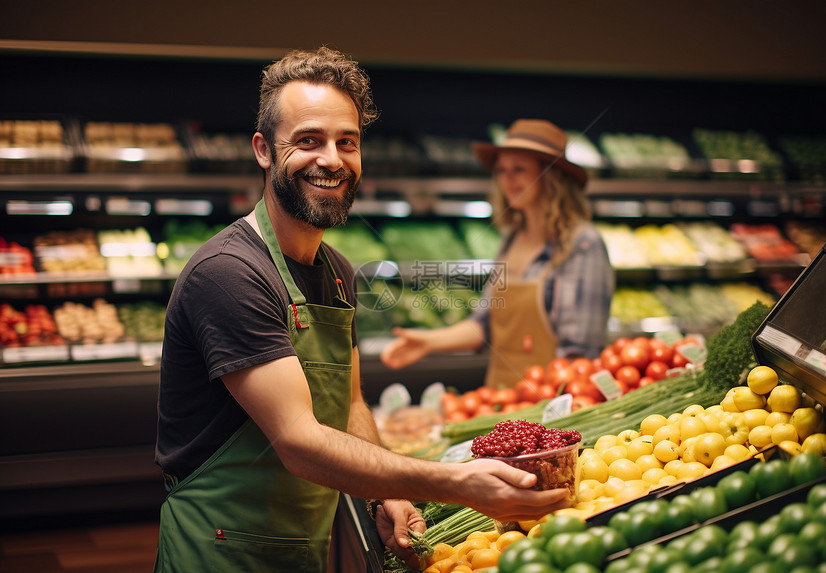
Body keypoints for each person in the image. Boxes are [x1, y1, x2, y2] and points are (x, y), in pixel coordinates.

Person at [153, 47, 571, 573]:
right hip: (216, 550)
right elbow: (300, 442)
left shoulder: (337, 273)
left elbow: (349, 405)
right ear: (263, 150)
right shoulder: (231, 273)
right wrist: (458, 482)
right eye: (308, 141)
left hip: (301, 544)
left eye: (346, 142)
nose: (332, 159)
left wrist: (385, 495)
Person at [381, 119, 615, 389]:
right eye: (501, 170)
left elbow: (579, 354)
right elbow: (485, 324)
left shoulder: (582, 243)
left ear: (550, 176)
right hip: (503, 395)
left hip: (553, 405)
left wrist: (545, 405)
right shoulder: (512, 238)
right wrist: (428, 342)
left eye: (519, 168)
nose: (507, 179)